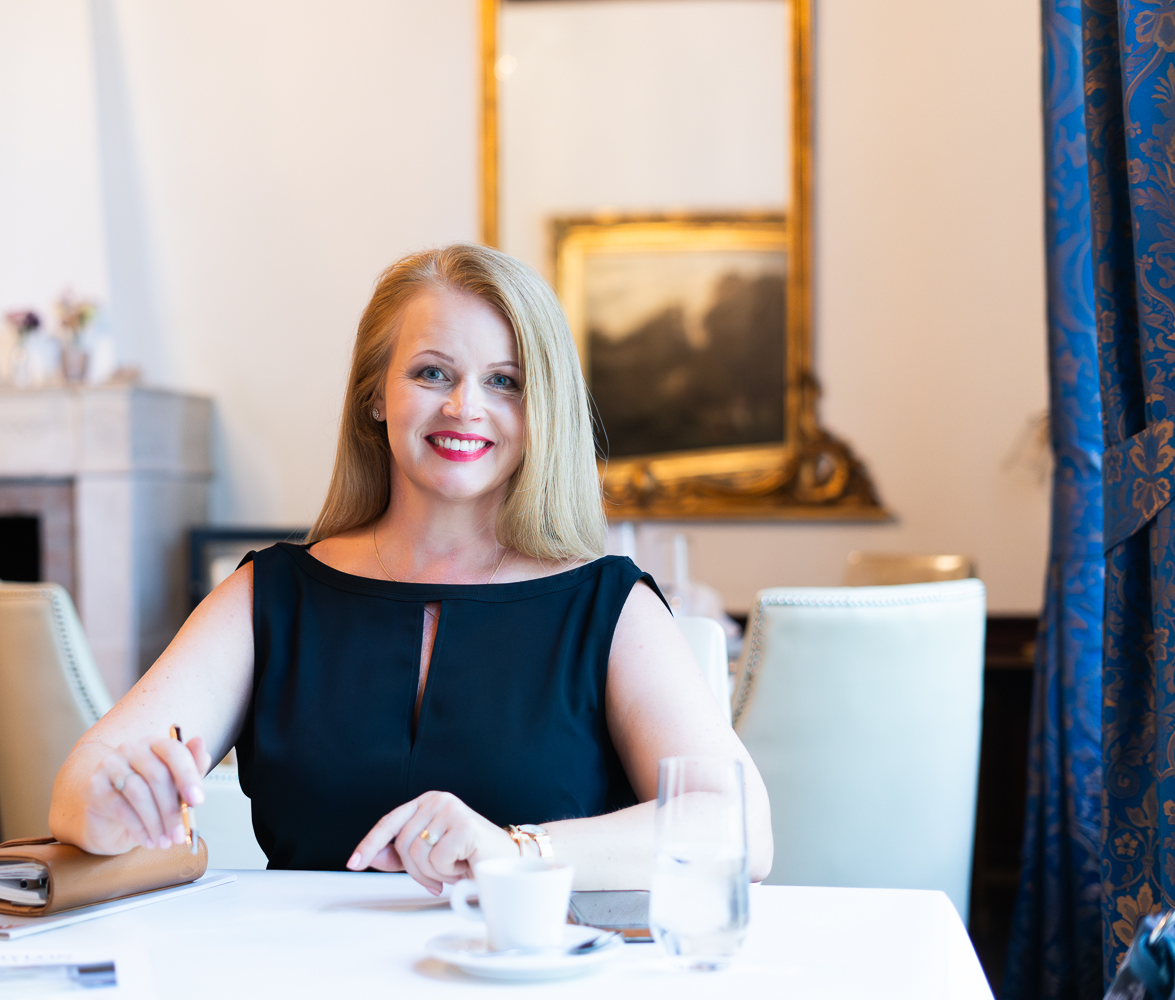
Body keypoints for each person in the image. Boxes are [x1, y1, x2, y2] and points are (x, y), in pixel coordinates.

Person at [48, 243, 773, 892]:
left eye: (505, 382)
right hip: (300, 973)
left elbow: (739, 829)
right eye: (432, 372)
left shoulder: (608, 606)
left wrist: (515, 850)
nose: (465, 406)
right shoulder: (267, 595)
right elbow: (84, 779)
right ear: (375, 393)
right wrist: (109, 806)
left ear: (541, 411)